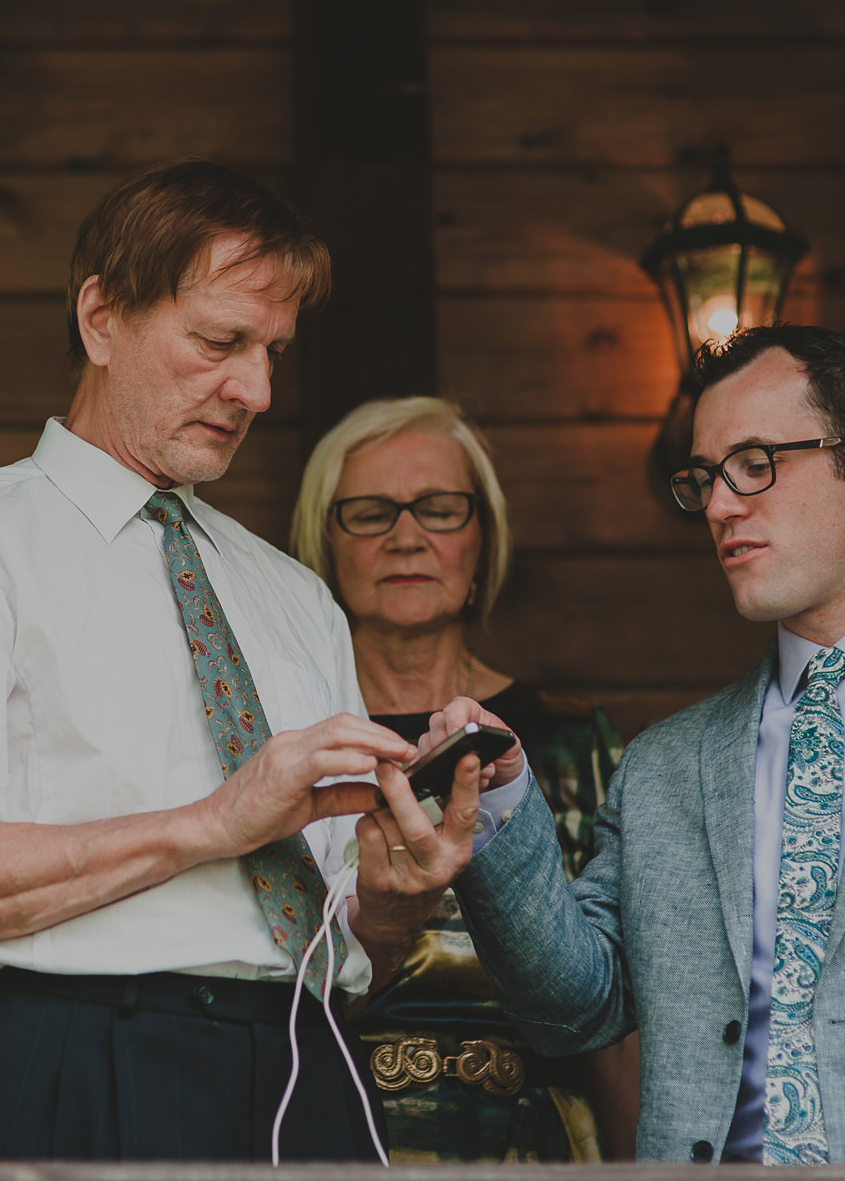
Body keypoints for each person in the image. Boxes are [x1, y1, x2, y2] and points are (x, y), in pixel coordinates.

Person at [0, 160, 515, 1162]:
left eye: (272, 351)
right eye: (220, 341)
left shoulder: (294, 595)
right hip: (81, 1052)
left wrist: (392, 905)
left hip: (312, 1063)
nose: (257, 389)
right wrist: (212, 822)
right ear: (101, 319)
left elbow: (340, 943)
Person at [394, 324, 845, 1163]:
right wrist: (502, 801)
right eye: (705, 477)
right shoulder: (665, 767)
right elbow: (575, 1010)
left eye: (755, 464)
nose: (719, 504)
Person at [290, 396, 637, 1163]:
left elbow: (624, 1012)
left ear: (483, 541)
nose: (405, 536)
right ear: (325, 545)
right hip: (337, 1139)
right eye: (369, 512)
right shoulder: (295, 746)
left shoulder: (572, 738)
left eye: (439, 510)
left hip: (537, 1148)